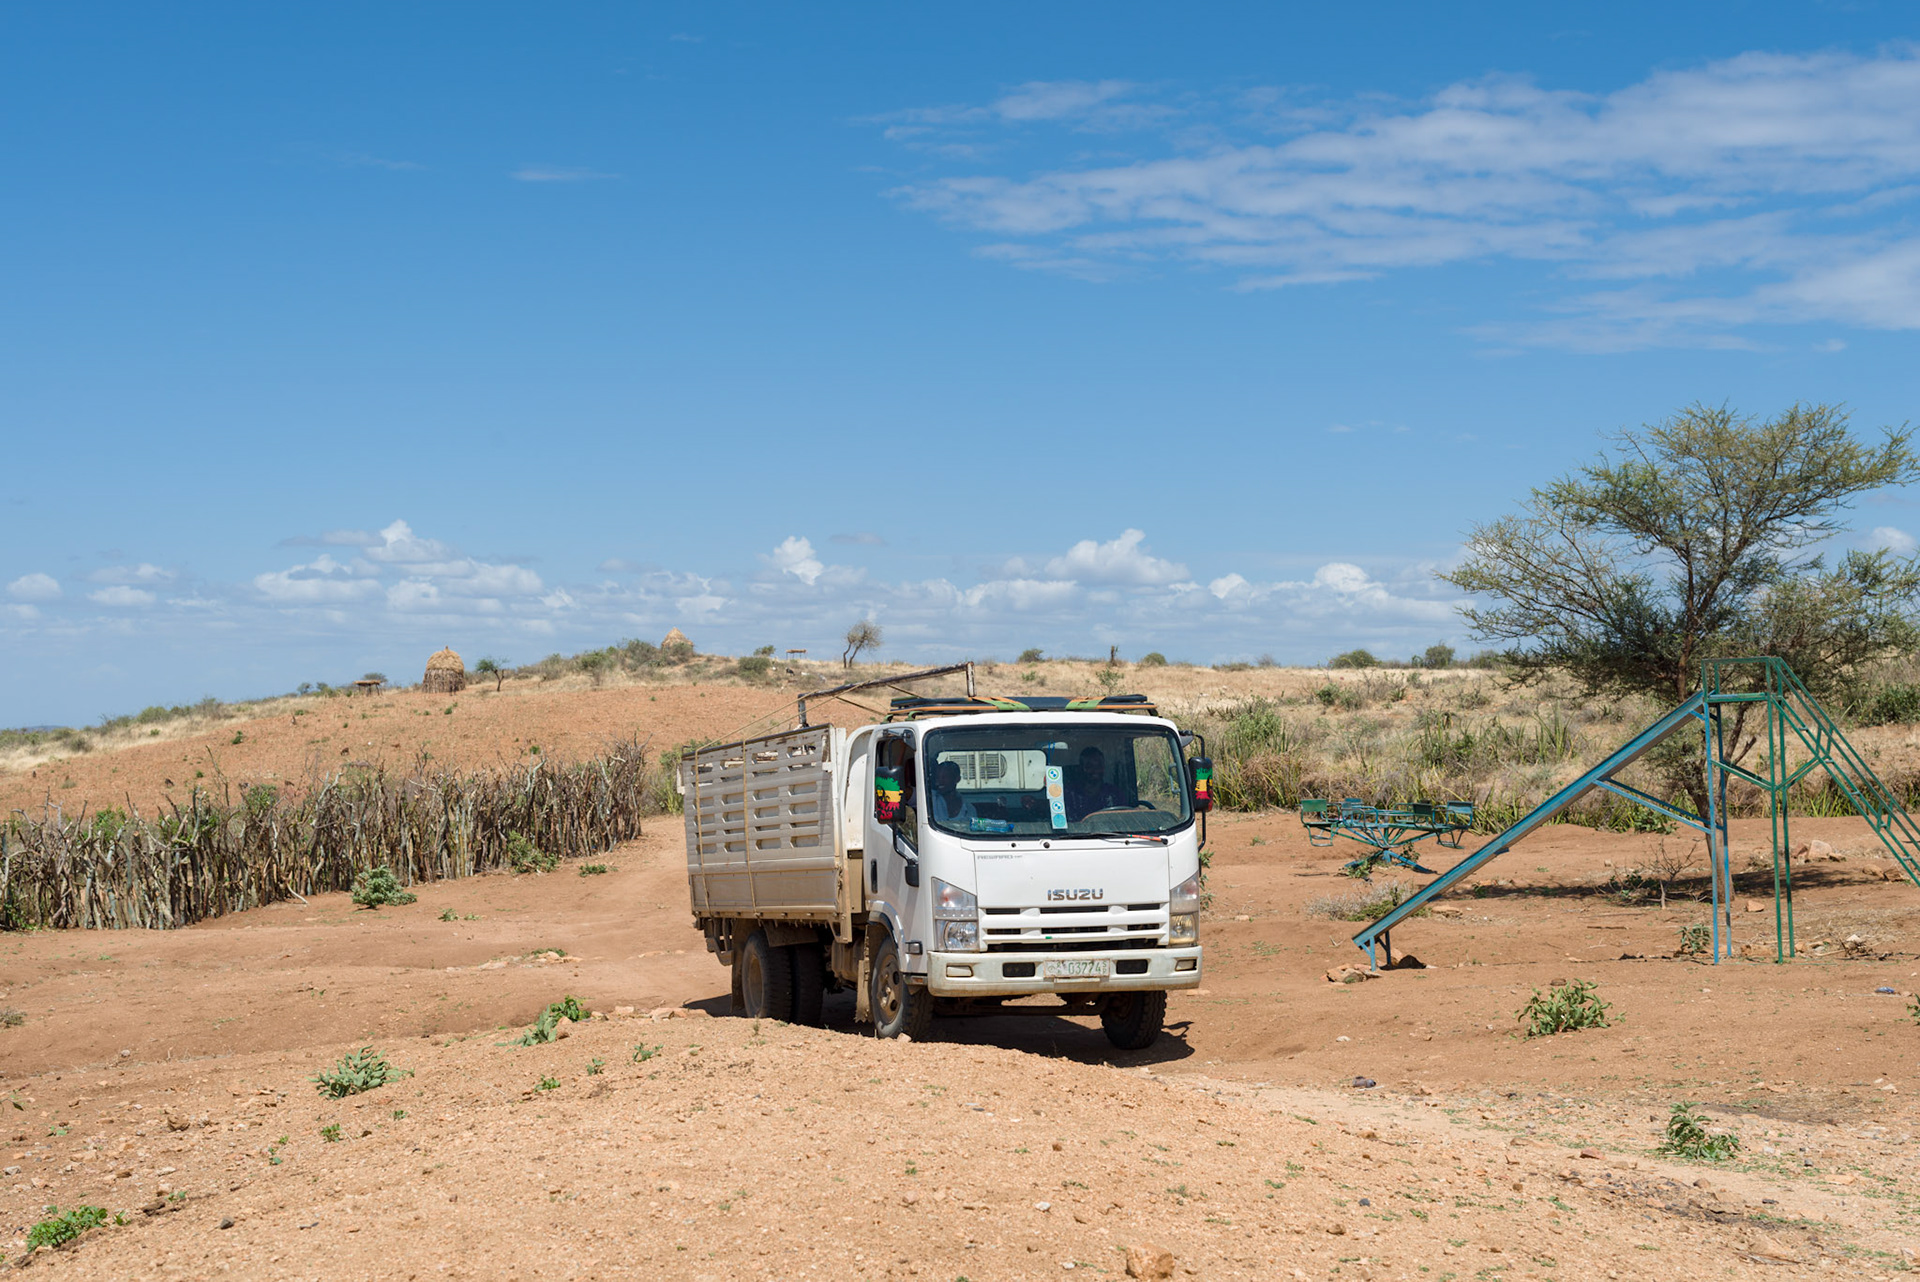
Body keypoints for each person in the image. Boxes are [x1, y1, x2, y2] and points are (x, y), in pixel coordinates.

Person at [1065, 746, 1129, 819]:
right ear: (1081, 768)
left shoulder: (1114, 793)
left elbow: (1124, 819)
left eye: (1099, 766)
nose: (1095, 770)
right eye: (1089, 766)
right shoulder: (1070, 794)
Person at [929, 760, 976, 827]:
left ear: (957, 779)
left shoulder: (969, 809)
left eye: (944, 777)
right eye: (937, 777)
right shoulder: (930, 802)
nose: (939, 781)